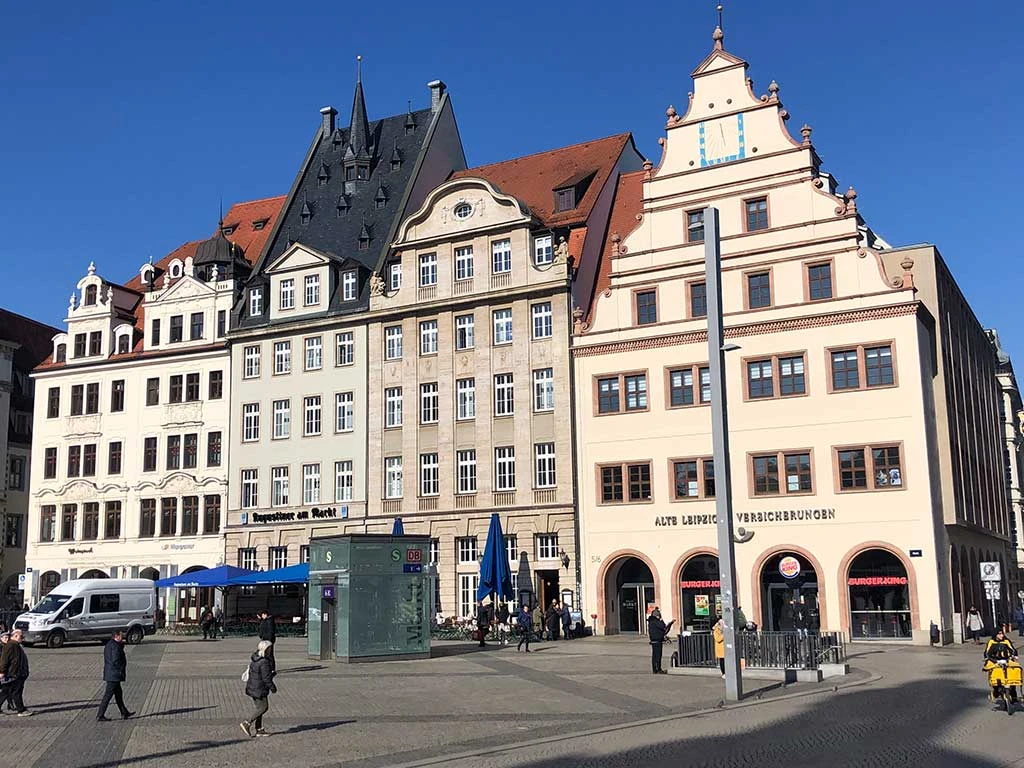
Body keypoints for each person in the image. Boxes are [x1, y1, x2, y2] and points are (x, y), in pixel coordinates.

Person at [240, 640, 277, 737]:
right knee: (264, 707)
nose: (270, 650)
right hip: (259, 688)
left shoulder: (255, 658)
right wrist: (272, 687)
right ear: (265, 649)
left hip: (253, 687)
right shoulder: (264, 662)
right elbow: (265, 678)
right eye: (269, 649)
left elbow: (259, 674)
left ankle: (259, 729)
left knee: (259, 708)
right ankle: (247, 723)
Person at [97, 630, 134, 721]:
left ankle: (124, 712)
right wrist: (120, 669)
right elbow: (116, 659)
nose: (122, 637)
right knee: (108, 695)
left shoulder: (110, 644)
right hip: (114, 675)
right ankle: (100, 715)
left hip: (112, 674)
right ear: (116, 636)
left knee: (118, 694)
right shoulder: (115, 646)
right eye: (121, 636)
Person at [984, 628, 1020, 707]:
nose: (1001, 635)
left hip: (1006, 660)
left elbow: (1013, 650)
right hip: (995, 661)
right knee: (995, 675)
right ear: (995, 634)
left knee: (1014, 671)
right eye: (999, 634)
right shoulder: (991, 642)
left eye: (1002, 634)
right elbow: (987, 653)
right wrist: (992, 660)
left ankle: (1013, 694)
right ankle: (996, 690)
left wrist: (1014, 656)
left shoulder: (1006, 641)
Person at [0, 629, 31, 716]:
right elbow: (4, 660)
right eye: (21, 636)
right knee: (16, 692)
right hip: (14, 673)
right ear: (16, 636)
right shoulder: (11, 645)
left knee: (6, 692)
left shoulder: (15, 645)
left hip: (16, 673)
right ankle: (21, 710)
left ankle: (20, 709)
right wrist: (2, 671)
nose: (22, 638)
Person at [646, 607, 674, 674]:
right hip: (657, 640)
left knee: (655, 655)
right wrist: (661, 620)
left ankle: (655, 669)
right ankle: (658, 669)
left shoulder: (651, 621)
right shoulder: (656, 622)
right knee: (658, 655)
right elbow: (663, 626)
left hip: (654, 640)